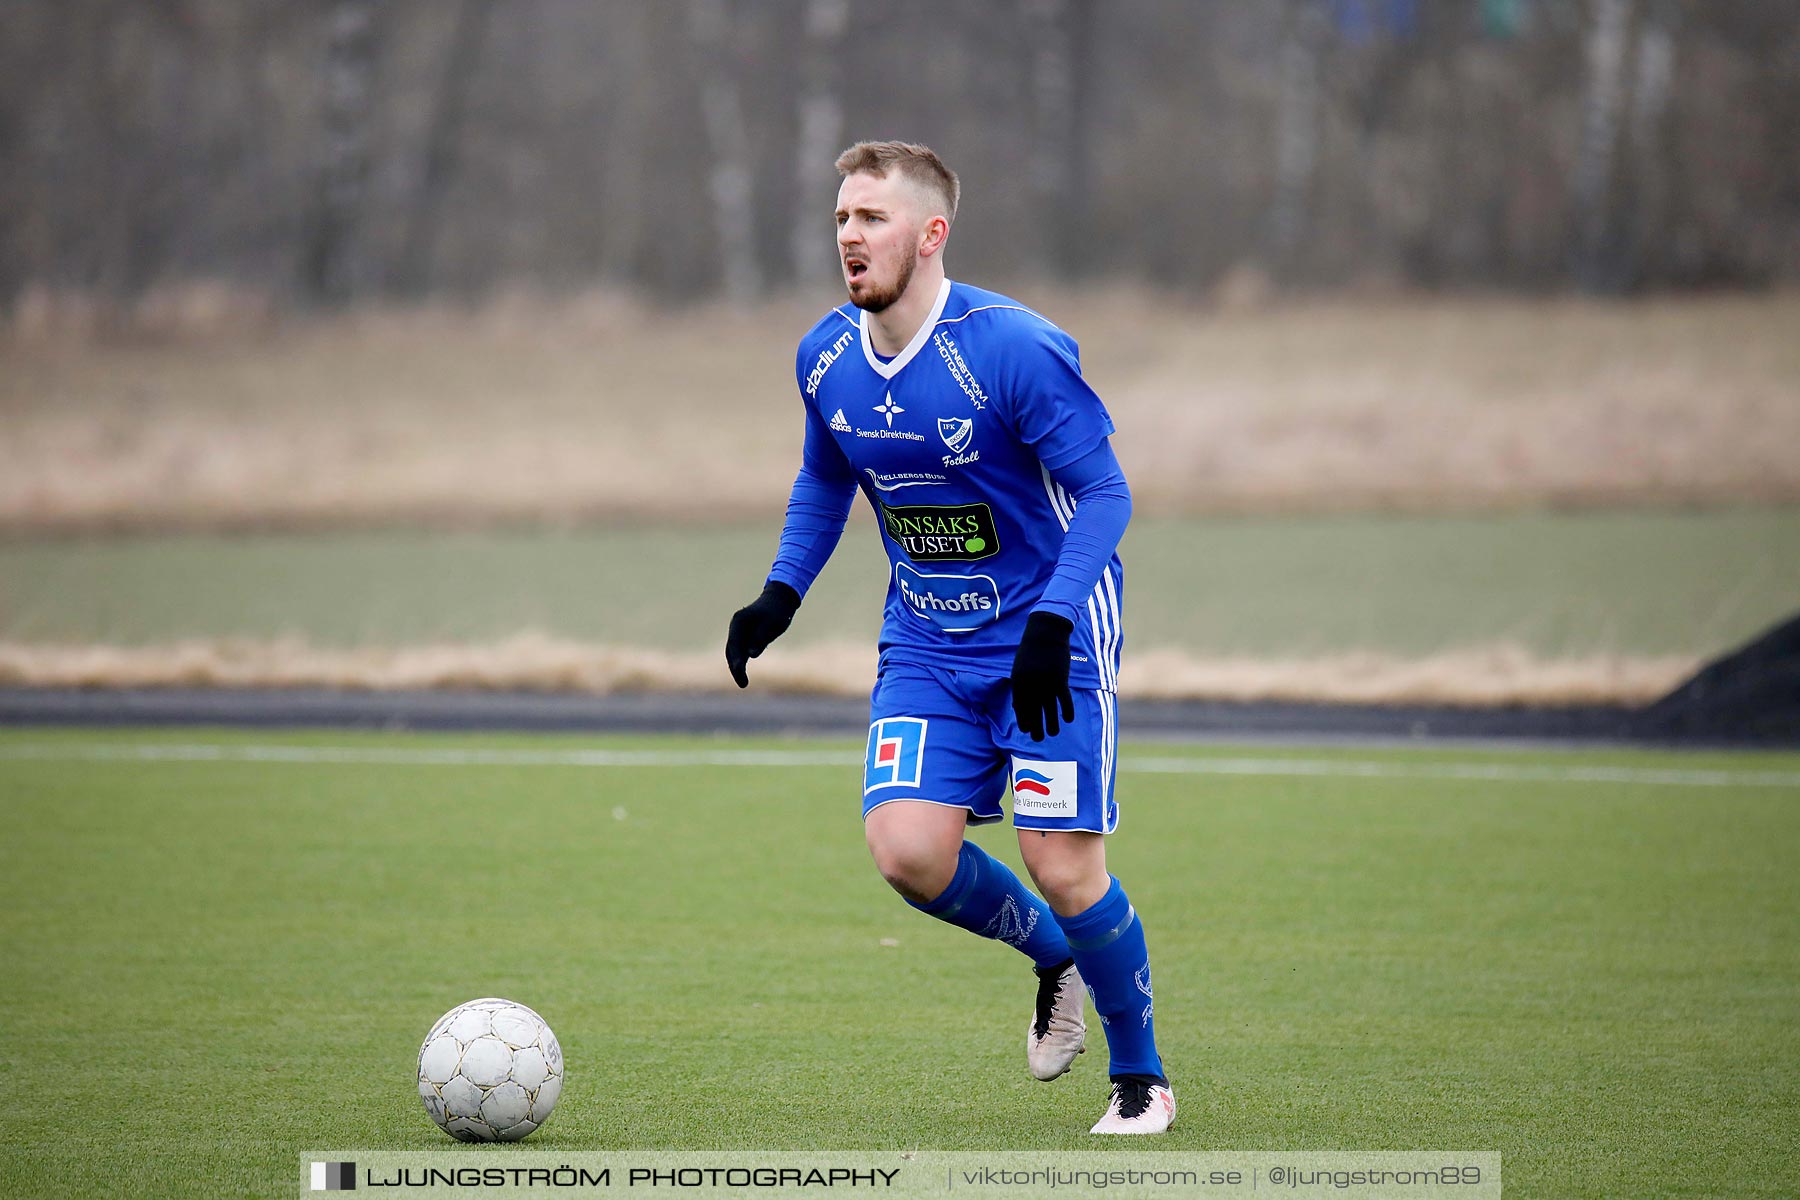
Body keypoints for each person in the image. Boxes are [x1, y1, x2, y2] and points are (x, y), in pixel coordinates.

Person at [725, 140, 1173, 1134]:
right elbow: (824, 477)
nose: (849, 235)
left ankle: (1141, 1077)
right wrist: (780, 596)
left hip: (1045, 634)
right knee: (907, 852)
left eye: (871, 218)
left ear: (931, 235)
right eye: (842, 217)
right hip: (927, 638)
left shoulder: (1012, 348)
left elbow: (1106, 493)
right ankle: (1052, 955)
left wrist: (1055, 622)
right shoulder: (825, 357)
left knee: (1063, 864)